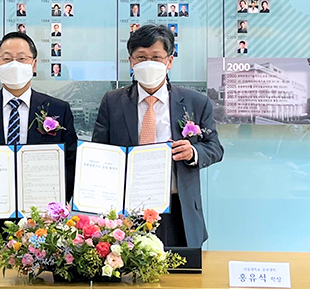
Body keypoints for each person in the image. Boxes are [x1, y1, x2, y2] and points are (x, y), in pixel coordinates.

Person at [92, 25, 223, 247]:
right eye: (141, 57)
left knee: (181, 268)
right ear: (131, 62)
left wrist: (193, 152)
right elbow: (100, 151)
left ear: (169, 61)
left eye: (156, 57)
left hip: (179, 210)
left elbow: (215, 148)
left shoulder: (195, 102)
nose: (148, 63)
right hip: (127, 212)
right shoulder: (112, 101)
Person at [0, 31, 78, 246]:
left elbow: (70, 161)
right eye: (7, 59)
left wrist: (58, 205)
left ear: (34, 64)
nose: (14, 65)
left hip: (42, 226)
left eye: (21, 58)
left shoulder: (58, 109)